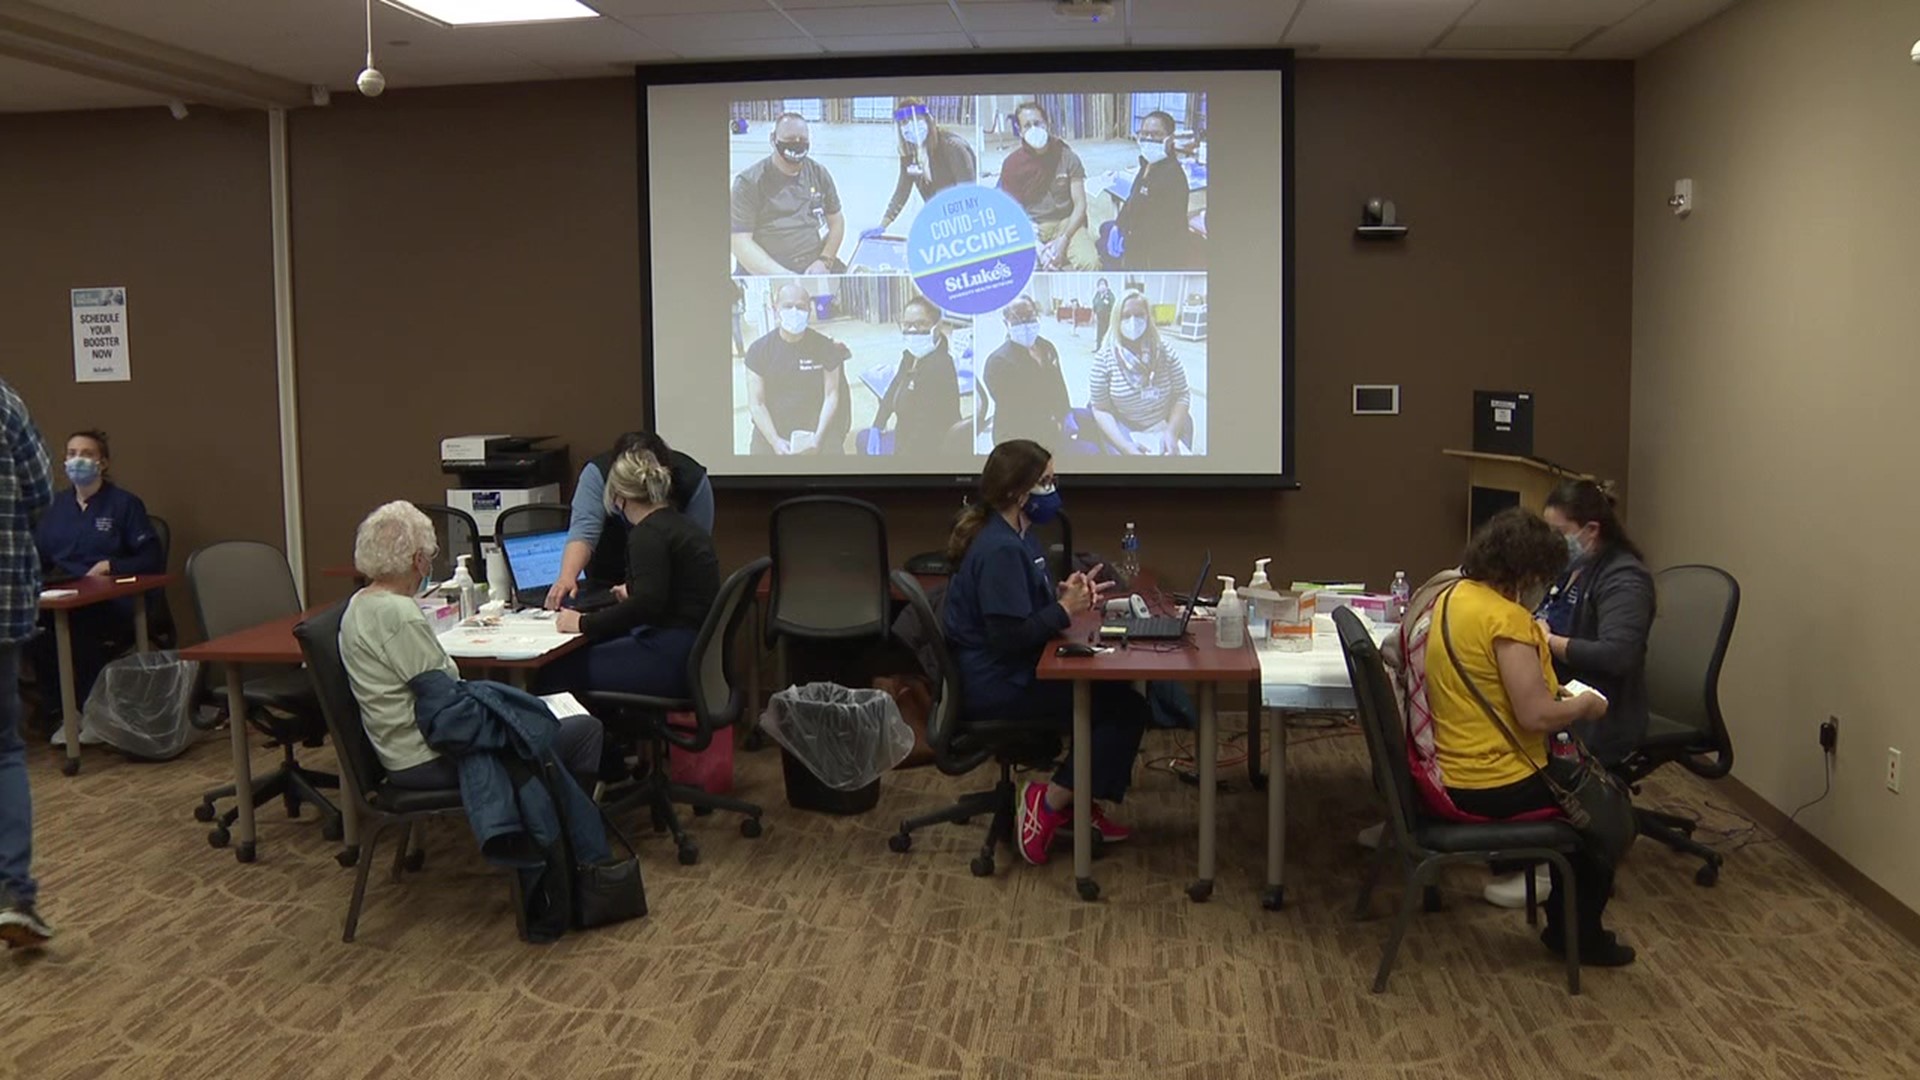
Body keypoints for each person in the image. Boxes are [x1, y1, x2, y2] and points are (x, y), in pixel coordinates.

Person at [1426, 508, 1632, 966]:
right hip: (1492, 780)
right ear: (1528, 571)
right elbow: (1536, 715)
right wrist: (1584, 705)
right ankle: (1578, 936)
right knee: (1604, 815)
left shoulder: (1454, 598)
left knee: (1589, 804)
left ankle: (1562, 918)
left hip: (1453, 765)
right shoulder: (1508, 621)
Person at [942, 440, 1151, 866]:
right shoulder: (999, 548)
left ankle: (1074, 803)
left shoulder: (1019, 536)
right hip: (998, 682)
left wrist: (1066, 596)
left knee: (1122, 697)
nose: (1054, 489)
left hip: (1017, 666)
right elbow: (1007, 638)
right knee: (1123, 708)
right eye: (1046, 481)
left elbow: (1024, 610)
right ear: (1018, 492)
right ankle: (1049, 802)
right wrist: (1062, 610)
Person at [1474, 480, 1657, 910]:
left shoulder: (1624, 578)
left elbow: (1618, 654)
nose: (1555, 542)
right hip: (1562, 691)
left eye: (1560, 532)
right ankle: (1515, 844)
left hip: (1602, 710)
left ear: (1590, 530)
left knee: (1525, 731)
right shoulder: (1572, 571)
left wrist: (1548, 642)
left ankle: (1551, 863)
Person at [340, 502, 604, 791]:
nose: (429, 565)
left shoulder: (358, 604)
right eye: (430, 557)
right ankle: (562, 831)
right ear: (417, 560)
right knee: (583, 730)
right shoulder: (399, 614)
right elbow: (448, 704)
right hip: (431, 756)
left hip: (400, 749)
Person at [545, 449, 721, 700]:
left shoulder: (646, 535)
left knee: (554, 671)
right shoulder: (682, 526)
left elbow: (646, 606)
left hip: (669, 658)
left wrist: (582, 623)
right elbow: (674, 594)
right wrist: (635, 593)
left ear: (618, 497)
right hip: (694, 655)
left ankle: (583, 737)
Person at [28, 430, 163, 739]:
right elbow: (39, 556)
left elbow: (150, 557)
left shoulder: (124, 505)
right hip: (64, 595)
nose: (78, 460)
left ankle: (94, 711)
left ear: (102, 463)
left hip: (110, 602)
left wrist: (112, 566)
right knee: (36, 631)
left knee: (81, 630)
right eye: (72, 453)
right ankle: (59, 714)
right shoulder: (55, 507)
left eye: (86, 454)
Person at [0, 379, 53, 949]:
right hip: (2, 604)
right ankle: (15, 894)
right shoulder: (7, 404)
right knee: (5, 750)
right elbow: (41, 495)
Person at [545, 432, 712, 610]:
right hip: (608, 580)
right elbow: (584, 531)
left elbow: (692, 552)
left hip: (669, 595)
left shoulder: (691, 479)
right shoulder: (598, 473)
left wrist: (584, 624)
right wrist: (567, 577)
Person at [744, 283, 852, 456]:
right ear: (775, 308)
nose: (794, 312)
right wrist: (775, 442)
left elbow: (832, 395)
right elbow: (757, 403)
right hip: (772, 428)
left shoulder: (826, 347)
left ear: (809, 311)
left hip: (817, 427)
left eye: (800, 307)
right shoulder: (758, 350)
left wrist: (817, 439)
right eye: (787, 306)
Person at [730, 112, 845, 275]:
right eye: (790, 140)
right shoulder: (748, 183)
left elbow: (837, 222)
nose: (797, 144)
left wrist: (825, 261)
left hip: (813, 266)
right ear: (773, 139)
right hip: (766, 273)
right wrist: (785, 278)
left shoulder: (818, 173)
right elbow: (740, 242)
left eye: (803, 140)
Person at [1087, 291, 1192, 455]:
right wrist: (1124, 446)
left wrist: (1171, 432)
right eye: (1126, 316)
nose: (1133, 322)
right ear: (1116, 319)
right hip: (1126, 427)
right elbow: (1100, 409)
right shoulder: (1104, 359)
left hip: (1165, 423)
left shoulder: (1165, 351)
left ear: (1148, 318)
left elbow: (1182, 393)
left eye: (1139, 315)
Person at [997, 101, 1097, 272]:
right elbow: (1009, 211)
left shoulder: (1066, 156)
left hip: (1066, 223)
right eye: (1027, 126)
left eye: (1038, 123)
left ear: (1047, 124)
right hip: (1032, 225)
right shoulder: (1012, 164)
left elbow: (1080, 204)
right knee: (1021, 270)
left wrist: (1064, 239)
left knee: (1091, 263)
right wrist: (1035, 245)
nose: (1034, 129)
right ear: (1020, 132)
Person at [866, 99, 977, 237]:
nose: (910, 126)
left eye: (915, 119)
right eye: (904, 123)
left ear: (927, 120)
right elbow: (902, 191)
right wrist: (882, 225)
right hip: (938, 216)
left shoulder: (953, 147)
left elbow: (968, 193)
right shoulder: (910, 153)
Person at [868, 295, 960, 456]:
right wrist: (878, 424)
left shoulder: (940, 366)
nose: (912, 331)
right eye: (907, 324)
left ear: (937, 326)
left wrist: (901, 464)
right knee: (865, 438)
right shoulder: (911, 356)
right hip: (905, 432)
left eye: (920, 324)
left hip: (928, 449)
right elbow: (894, 386)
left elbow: (925, 429)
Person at [1105, 110, 1192, 270]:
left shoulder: (1172, 177)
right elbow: (1133, 199)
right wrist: (1119, 224)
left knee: (1105, 253)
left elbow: (1159, 231)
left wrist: (1127, 237)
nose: (1149, 139)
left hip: (1154, 252)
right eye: (1145, 133)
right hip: (1135, 229)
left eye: (1156, 134)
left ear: (1170, 139)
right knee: (1106, 228)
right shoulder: (1147, 164)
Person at [982, 295, 1069, 445]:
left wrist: (1064, 417)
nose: (1025, 323)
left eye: (1030, 316)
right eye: (1017, 319)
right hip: (1018, 437)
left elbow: (1059, 386)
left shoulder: (1047, 347)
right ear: (1006, 323)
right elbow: (1016, 411)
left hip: (1053, 426)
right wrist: (1053, 426)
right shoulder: (998, 363)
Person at [1091, 278, 1115, 344]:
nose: (1102, 286)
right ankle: (1098, 347)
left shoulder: (1110, 295)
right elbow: (1094, 303)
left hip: (1107, 318)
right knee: (1099, 333)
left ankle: (1106, 348)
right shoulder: (1097, 294)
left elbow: (1113, 305)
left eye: (1103, 284)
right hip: (1099, 317)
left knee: (1106, 334)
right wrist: (1093, 315)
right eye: (1100, 284)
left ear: (1106, 286)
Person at [730, 279, 748, 358]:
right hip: (733, 306)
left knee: (736, 330)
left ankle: (740, 351)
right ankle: (740, 351)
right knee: (736, 330)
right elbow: (738, 295)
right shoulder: (735, 282)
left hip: (732, 306)